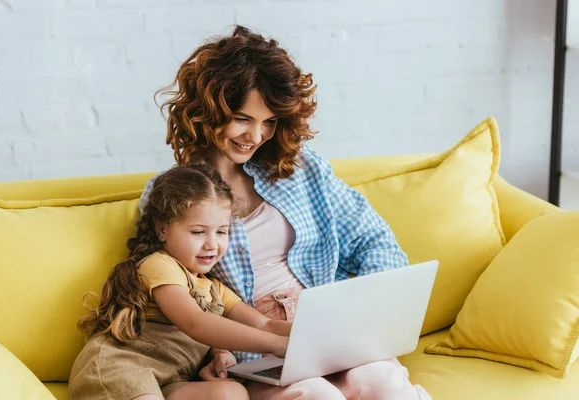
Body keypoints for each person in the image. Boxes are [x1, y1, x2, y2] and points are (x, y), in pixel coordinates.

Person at [140, 25, 431, 400]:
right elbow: (168, 292)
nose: (256, 136)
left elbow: (373, 240)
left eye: (270, 121)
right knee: (314, 396)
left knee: (382, 383)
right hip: (254, 347)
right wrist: (216, 350)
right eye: (243, 118)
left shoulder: (300, 168)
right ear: (208, 111)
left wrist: (366, 316)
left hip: (331, 326)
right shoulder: (172, 193)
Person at [68, 164, 292, 400]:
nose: (212, 244)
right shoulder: (159, 265)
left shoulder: (215, 289)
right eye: (198, 232)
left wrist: (308, 337)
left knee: (231, 393)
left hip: (171, 380)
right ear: (163, 229)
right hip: (124, 370)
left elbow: (264, 325)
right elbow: (196, 322)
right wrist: (277, 345)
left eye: (221, 232)